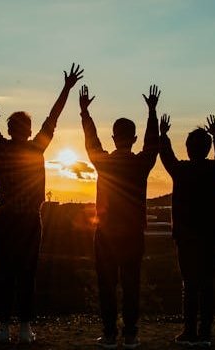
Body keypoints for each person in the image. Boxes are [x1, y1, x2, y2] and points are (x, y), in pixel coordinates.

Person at [0, 59, 83, 343]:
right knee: (27, 274)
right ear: (27, 130)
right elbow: (53, 117)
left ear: (10, 128)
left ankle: (2, 327)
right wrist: (66, 87)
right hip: (29, 221)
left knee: (4, 273)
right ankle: (25, 328)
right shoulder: (37, 148)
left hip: (5, 219)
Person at [79, 84, 160, 349]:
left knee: (107, 285)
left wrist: (85, 113)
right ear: (133, 138)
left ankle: (110, 334)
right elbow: (153, 144)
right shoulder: (141, 163)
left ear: (113, 138)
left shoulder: (103, 161)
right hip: (133, 233)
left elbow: (91, 141)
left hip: (105, 233)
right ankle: (131, 335)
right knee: (131, 284)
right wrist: (152, 112)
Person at [159, 113, 215, 349]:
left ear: (188, 149)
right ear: (208, 148)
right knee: (207, 283)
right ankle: (205, 332)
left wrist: (163, 135)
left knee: (189, 284)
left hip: (186, 236)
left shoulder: (181, 170)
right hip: (211, 235)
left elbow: (166, 156)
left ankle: (189, 331)